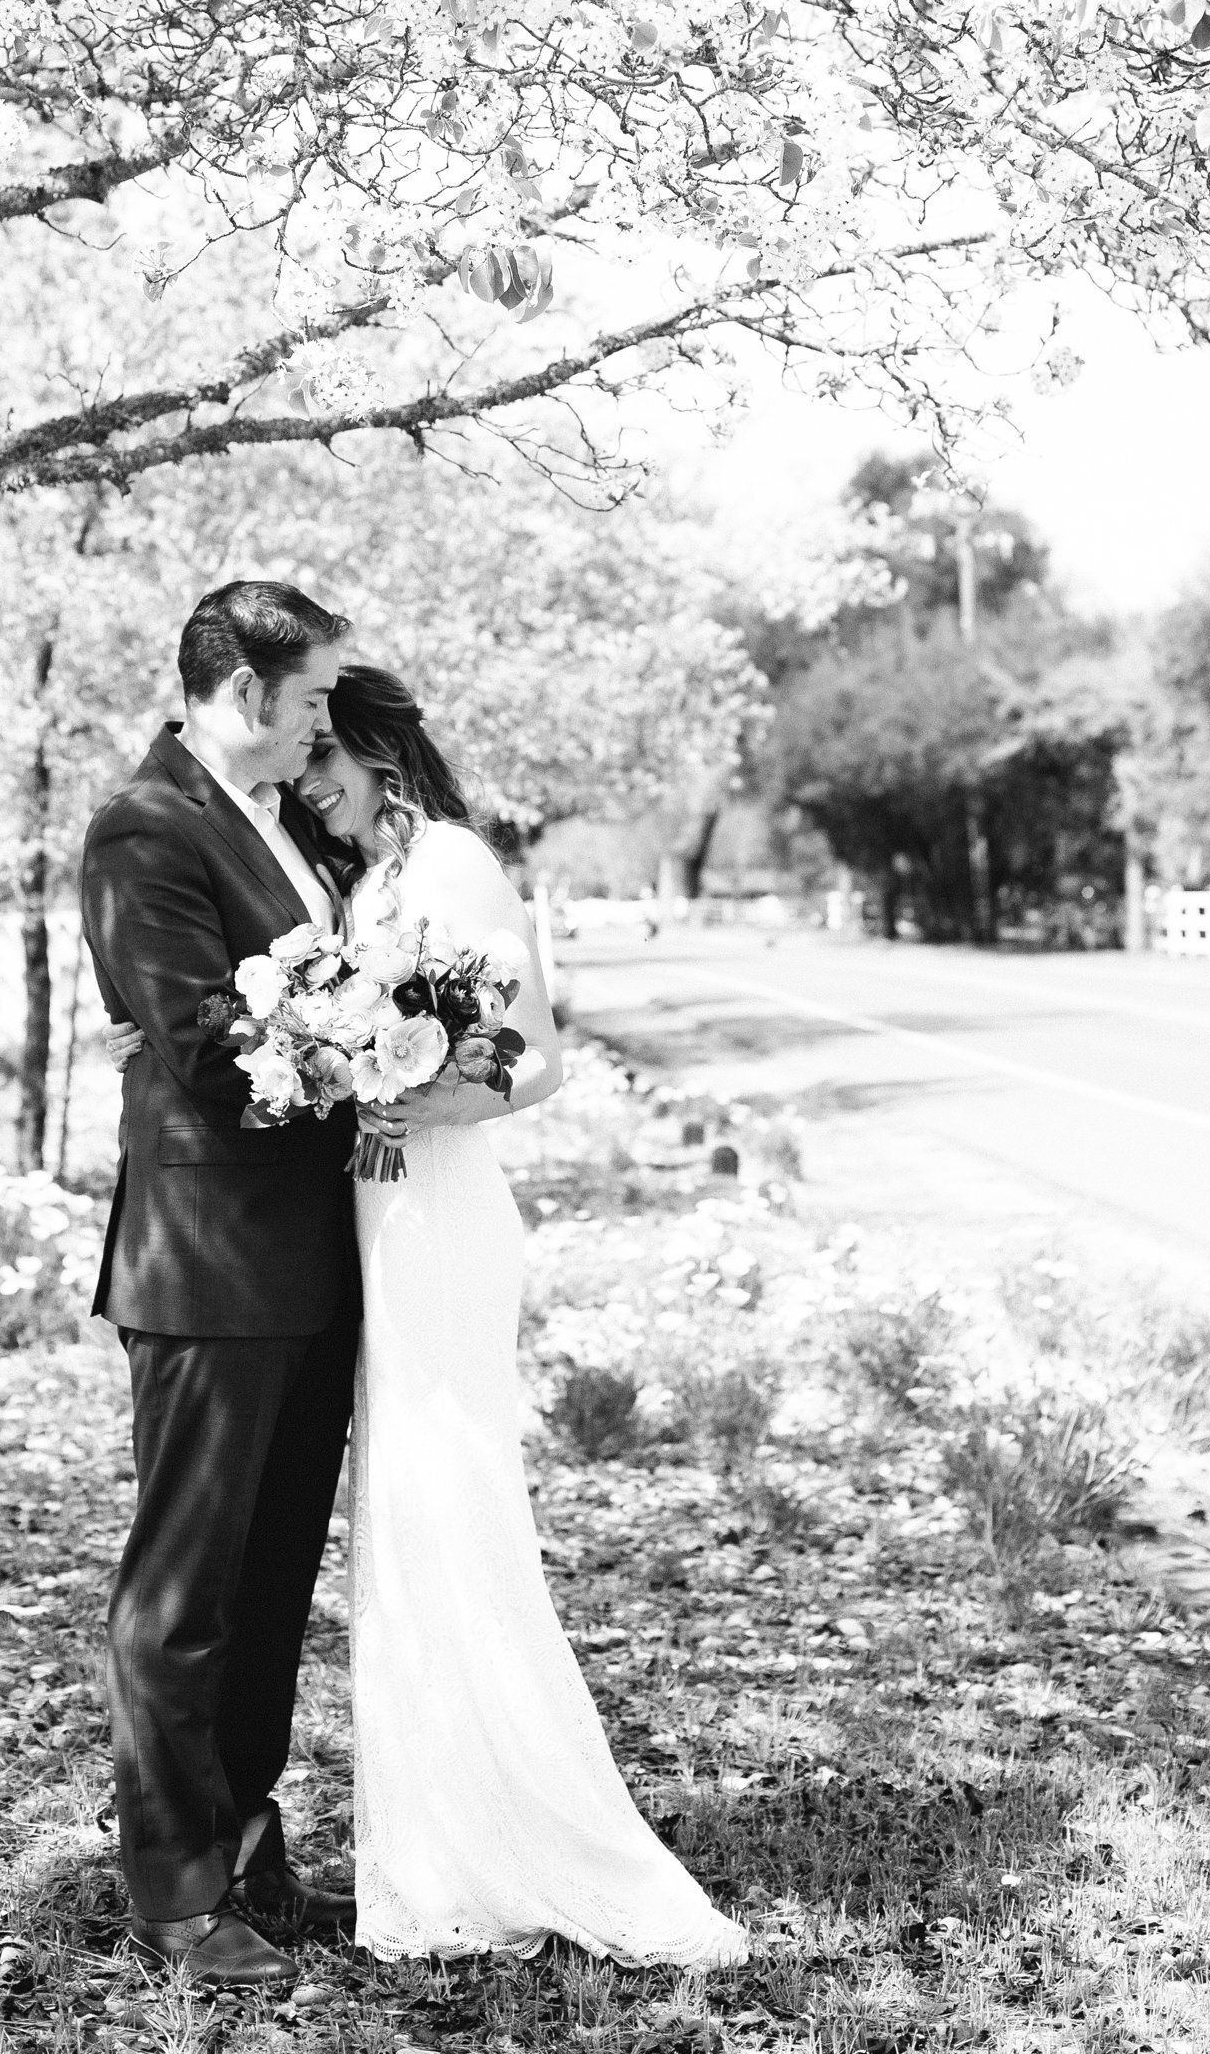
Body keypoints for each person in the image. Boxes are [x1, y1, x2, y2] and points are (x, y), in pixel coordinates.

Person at [298, 663, 748, 1967]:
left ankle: (535, 1841)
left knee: (454, 1504)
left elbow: (536, 1056)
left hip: (441, 1215)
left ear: (382, 753)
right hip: (382, 1212)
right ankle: (437, 1852)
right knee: (402, 1519)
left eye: (324, 756)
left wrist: (425, 1094)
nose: (308, 780)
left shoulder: (452, 864)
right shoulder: (369, 884)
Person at [79, 579, 360, 1992]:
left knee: (269, 1584)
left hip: (314, 1267)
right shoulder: (148, 825)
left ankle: (245, 1831)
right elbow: (198, 1038)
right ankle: (173, 1891)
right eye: (310, 692)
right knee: (182, 1594)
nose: (325, 716)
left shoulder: (285, 819)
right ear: (242, 687)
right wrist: (372, 1045)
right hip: (207, 1266)